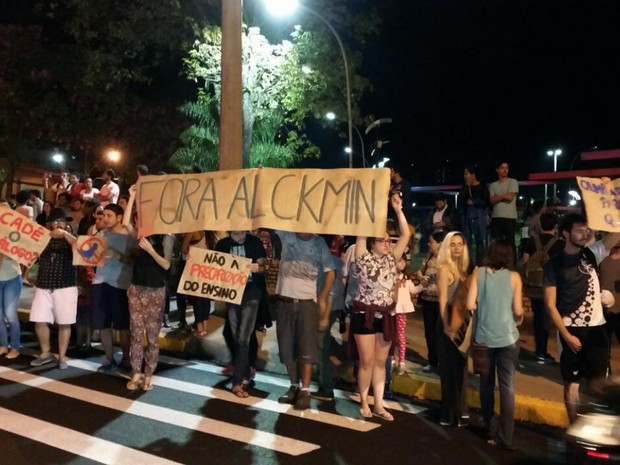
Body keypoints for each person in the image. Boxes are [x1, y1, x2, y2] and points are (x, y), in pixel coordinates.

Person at [543, 212, 620, 423]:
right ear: (566, 233)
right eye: (579, 229)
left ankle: (596, 426)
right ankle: (574, 424)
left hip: (597, 330)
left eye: (586, 229)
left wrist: (610, 210)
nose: (585, 233)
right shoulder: (554, 264)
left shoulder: (592, 253)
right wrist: (567, 336)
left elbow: (615, 235)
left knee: (599, 382)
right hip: (571, 331)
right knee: (572, 383)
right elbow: (550, 304)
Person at [353, 193, 411, 421]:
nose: (387, 243)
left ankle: (378, 403)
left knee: (380, 361)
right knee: (366, 361)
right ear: (372, 243)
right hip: (364, 315)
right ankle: (364, 402)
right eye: (382, 240)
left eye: (389, 240)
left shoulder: (391, 259)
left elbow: (406, 235)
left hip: (384, 315)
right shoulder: (363, 257)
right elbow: (360, 234)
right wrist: (371, 209)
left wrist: (398, 210)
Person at [466, 240, 524, 449]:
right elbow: (518, 310)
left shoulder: (478, 273)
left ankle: (490, 428)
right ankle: (506, 436)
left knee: (486, 384)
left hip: (484, 339)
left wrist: (481, 307)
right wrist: (520, 316)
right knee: (507, 387)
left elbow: (469, 303)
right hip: (508, 339)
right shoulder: (515, 277)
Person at [274, 230, 335, 411]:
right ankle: (294, 386)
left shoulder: (319, 243)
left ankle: (305, 391)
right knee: (286, 348)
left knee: (306, 349)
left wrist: (322, 298)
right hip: (284, 301)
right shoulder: (286, 235)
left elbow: (331, 272)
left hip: (307, 303)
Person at [122, 185, 172, 391]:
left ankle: (149, 374)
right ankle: (136, 373)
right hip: (136, 288)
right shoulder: (138, 235)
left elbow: (166, 264)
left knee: (152, 335)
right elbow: (124, 223)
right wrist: (132, 196)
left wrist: (151, 250)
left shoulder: (166, 237)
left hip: (155, 290)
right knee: (136, 332)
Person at [215, 231, 266, 398]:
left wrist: (255, 268)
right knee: (238, 338)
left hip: (251, 294)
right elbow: (212, 268)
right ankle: (244, 371)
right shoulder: (223, 245)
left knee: (244, 338)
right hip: (231, 295)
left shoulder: (254, 242)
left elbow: (264, 266)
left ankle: (237, 382)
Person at [29, 208, 78, 369]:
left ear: (66, 223)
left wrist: (64, 234)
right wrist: (27, 273)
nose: (58, 224)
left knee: (65, 322)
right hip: (43, 285)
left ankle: (62, 356)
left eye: (61, 221)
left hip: (65, 285)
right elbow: (28, 252)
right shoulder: (42, 237)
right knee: (39, 319)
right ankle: (45, 352)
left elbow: (81, 248)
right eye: (55, 221)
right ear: (49, 223)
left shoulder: (71, 238)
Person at [91, 203, 134, 374]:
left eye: (109, 216)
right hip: (99, 282)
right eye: (103, 216)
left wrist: (118, 256)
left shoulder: (129, 237)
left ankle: (126, 358)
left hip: (120, 285)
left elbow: (134, 261)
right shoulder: (100, 235)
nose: (105, 219)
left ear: (119, 218)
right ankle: (109, 357)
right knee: (103, 324)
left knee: (122, 325)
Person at [436, 230, 470, 427]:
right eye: (453, 244)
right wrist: (445, 324)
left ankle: (459, 411)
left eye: (460, 244)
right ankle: (448, 414)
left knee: (460, 369)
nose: (457, 247)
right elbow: (442, 299)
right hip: (448, 319)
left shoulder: (463, 269)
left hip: (462, 321)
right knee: (449, 370)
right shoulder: (445, 269)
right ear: (447, 247)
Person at [522, 212, 564, 364]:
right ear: (555, 226)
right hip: (551, 288)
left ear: (540, 224)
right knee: (546, 320)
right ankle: (541, 352)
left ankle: (539, 349)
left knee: (538, 318)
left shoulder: (532, 241)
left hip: (534, 288)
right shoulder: (560, 244)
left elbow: (525, 262)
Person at [416, 230, 447, 372]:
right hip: (427, 300)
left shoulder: (447, 260)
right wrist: (421, 276)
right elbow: (419, 271)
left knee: (441, 333)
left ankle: (443, 362)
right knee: (429, 333)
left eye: (431, 242)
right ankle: (433, 362)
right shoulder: (429, 258)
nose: (429, 244)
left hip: (441, 302)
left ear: (440, 244)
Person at [394, 257, 424, 374]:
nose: (400, 263)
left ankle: (401, 361)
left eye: (402, 261)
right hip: (391, 309)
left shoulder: (406, 279)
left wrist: (425, 284)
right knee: (391, 335)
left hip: (401, 311)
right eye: (397, 261)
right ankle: (391, 359)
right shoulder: (389, 277)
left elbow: (415, 290)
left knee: (400, 335)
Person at [460, 165, 490, 265]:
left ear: (473, 175)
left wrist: (475, 202)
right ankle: (468, 265)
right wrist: (467, 187)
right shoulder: (465, 187)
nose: (465, 176)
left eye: (466, 174)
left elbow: (486, 201)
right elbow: (461, 201)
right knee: (467, 241)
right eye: (464, 174)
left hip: (479, 216)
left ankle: (480, 264)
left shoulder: (482, 186)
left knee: (480, 240)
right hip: (467, 216)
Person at [489, 161, 518, 258]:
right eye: (502, 167)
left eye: (507, 168)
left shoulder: (513, 181)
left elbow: (510, 197)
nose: (505, 170)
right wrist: (504, 196)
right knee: (497, 243)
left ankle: (512, 263)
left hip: (510, 217)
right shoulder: (493, 185)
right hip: (496, 217)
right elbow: (491, 200)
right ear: (497, 170)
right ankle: (498, 262)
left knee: (510, 242)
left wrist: (498, 197)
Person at [601, 240, 620, 370]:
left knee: (604, 345)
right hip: (615, 311)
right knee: (604, 344)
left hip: (604, 310)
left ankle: (605, 370)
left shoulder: (601, 262)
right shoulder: (603, 262)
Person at [0, 251, 23, 359]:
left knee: (10, 315)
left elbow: (22, 253)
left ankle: (15, 347)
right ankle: (3, 345)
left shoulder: (11, 234)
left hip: (12, 278)